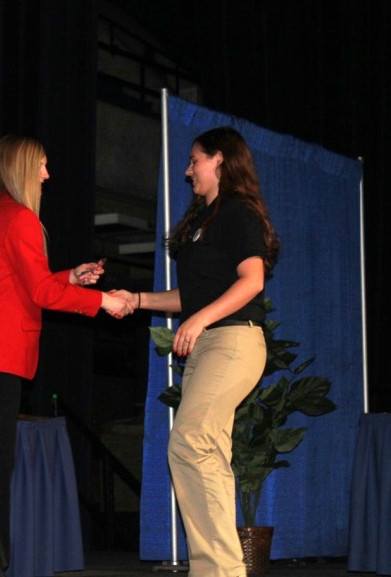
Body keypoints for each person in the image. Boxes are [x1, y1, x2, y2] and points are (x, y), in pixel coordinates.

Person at [0, 134, 129, 577]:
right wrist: (103, 300)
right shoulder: (21, 218)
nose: (47, 174)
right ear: (23, 167)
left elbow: (25, 285)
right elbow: (41, 293)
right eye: (42, 165)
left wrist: (71, 278)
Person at [121, 126, 279, 576]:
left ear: (220, 160)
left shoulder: (237, 211)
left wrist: (200, 319)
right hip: (209, 345)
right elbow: (191, 297)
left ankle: (221, 571)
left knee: (190, 442)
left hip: (233, 341)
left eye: (195, 160)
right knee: (202, 453)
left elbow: (252, 280)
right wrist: (136, 299)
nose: (188, 170)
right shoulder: (202, 223)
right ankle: (218, 569)